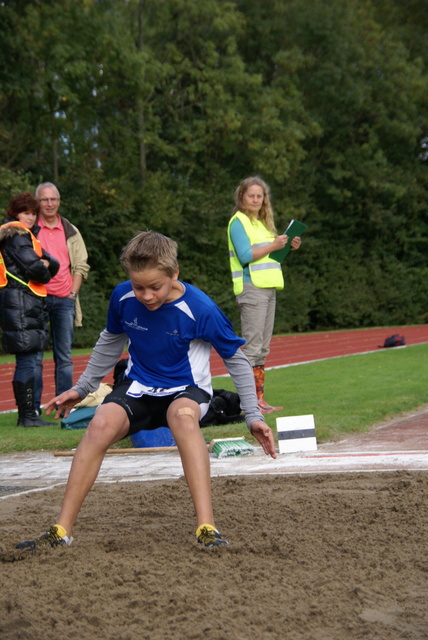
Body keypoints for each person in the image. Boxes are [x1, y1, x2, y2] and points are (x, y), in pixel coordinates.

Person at [16, 231, 276, 552]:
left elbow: (235, 358)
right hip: (139, 388)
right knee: (99, 424)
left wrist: (252, 415)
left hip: (187, 391)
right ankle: (61, 530)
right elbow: (110, 343)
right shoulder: (123, 298)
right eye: (139, 287)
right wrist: (82, 388)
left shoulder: (201, 308)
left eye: (155, 287)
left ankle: (207, 527)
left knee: (182, 417)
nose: (147, 296)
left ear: (174, 274)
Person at [227, 176, 302, 414]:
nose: (256, 200)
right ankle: (248, 403)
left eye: (260, 196)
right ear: (242, 197)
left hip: (268, 287)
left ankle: (259, 399)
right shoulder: (238, 221)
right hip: (252, 288)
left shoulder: (262, 224)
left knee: (262, 348)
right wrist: (273, 245)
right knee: (251, 347)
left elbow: (271, 258)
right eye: (252, 195)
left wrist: (287, 246)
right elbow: (246, 256)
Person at [0, 193, 59, 426]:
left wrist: (48, 264)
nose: (31, 218)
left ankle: (29, 414)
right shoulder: (17, 237)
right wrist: (46, 265)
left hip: (20, 302)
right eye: (26, 213)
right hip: (21, 302)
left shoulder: (18, 237)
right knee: (27, 360)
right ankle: (26, 416)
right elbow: (40, 270)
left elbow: (50, 263)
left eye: (34, 213)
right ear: (15, 214)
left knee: (30, 359)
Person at [35, 182, 89, 410]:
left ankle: (62, 404)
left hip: (64, 299)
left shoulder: (70, 230)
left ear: (59, 201)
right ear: (37, 202)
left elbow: (81, 265)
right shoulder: (29, 229)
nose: (49, 204)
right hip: (35, 299)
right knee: (35, 356)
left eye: (53, 199)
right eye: (45, 200)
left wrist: (72, 294)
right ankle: (34, 408)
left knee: (64, 357)